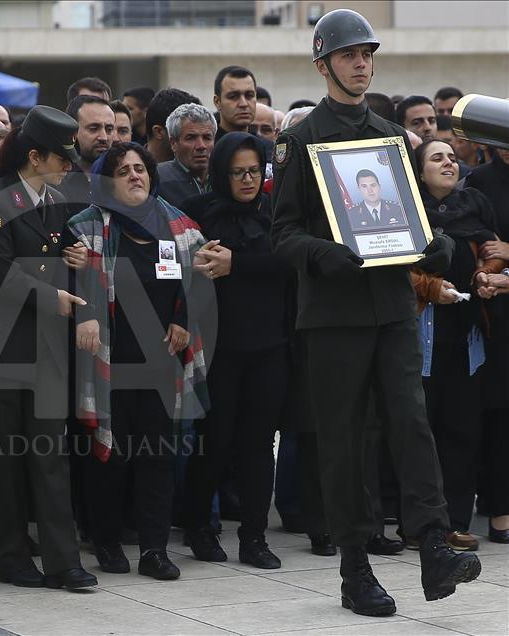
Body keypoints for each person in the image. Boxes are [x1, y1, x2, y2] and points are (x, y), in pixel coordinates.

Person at [270, 9, 480, 617]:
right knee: (345, 442)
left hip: (390, 303)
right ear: (323, 64)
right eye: (349, 55)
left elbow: (409, 218)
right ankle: (354, 565)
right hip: (334, 314)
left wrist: (436, 247)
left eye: (367, 54)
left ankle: (434, 543)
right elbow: (281, 234)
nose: (361, 63)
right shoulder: (301, 140)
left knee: (411, 422)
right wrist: (324, 254)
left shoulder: (391, 135)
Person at [0, 105, 97, 590]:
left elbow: (52, 254)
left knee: (49, 454)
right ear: (35, 155)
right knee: (4, 459)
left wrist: (72, 258)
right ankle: (12, 557)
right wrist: (52, 295)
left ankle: (64, 562)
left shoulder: (54, 201)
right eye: (61, 157)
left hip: (44, 346)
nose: (68, 165)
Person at [68, 141, 210, 580]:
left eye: (140, 169)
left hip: (160, 365)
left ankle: (154, 549)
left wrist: (183, 320)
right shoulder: (85, 227)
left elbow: (202, 280)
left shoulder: (181, 227)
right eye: (123, 170)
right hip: (107, 363)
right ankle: (108, 544)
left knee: (159, 459)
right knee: (109, 457)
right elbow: (71, 285)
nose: (134, 176)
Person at [181, 133, 294, 569]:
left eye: (254, 171)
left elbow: (289, 262)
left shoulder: (274, 216)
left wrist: (236, 265)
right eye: (237, 172)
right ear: (221, 173)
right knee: (215, 443)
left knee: (258, 444)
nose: (247, 180)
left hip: (271, 345)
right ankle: (198, 528)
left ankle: (254, 536)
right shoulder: (199, 215)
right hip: (219, 348)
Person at [408, 139, 505, 552]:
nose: (449, 163)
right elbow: (393, 268)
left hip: (468, 340)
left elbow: (492, 252)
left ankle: (457, 522)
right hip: (420, 341)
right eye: (437, 158)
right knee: (421, 434)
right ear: (419, 171)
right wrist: (430, 288)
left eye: (451, 157)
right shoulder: (407, 213)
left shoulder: (474, 206)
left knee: (463, 432)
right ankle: (420, 525)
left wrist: (486, 273)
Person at [157, 103, 215, 208]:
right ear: (173, 143)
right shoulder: (157, 180)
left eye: (207, 137)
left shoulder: (227, 178)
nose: (201, 146)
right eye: (191, 138)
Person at [144, 88, 201, 164]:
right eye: (190, 136)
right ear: (159, 132)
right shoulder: (132, 170)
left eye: (206, 137)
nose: (201, 145)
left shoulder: (203, 168)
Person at [213, 65, 257, 139]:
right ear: (217, 102)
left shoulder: (268, 148)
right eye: (233, 97)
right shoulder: (206, 148)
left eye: (249, 95)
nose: (243, 104)